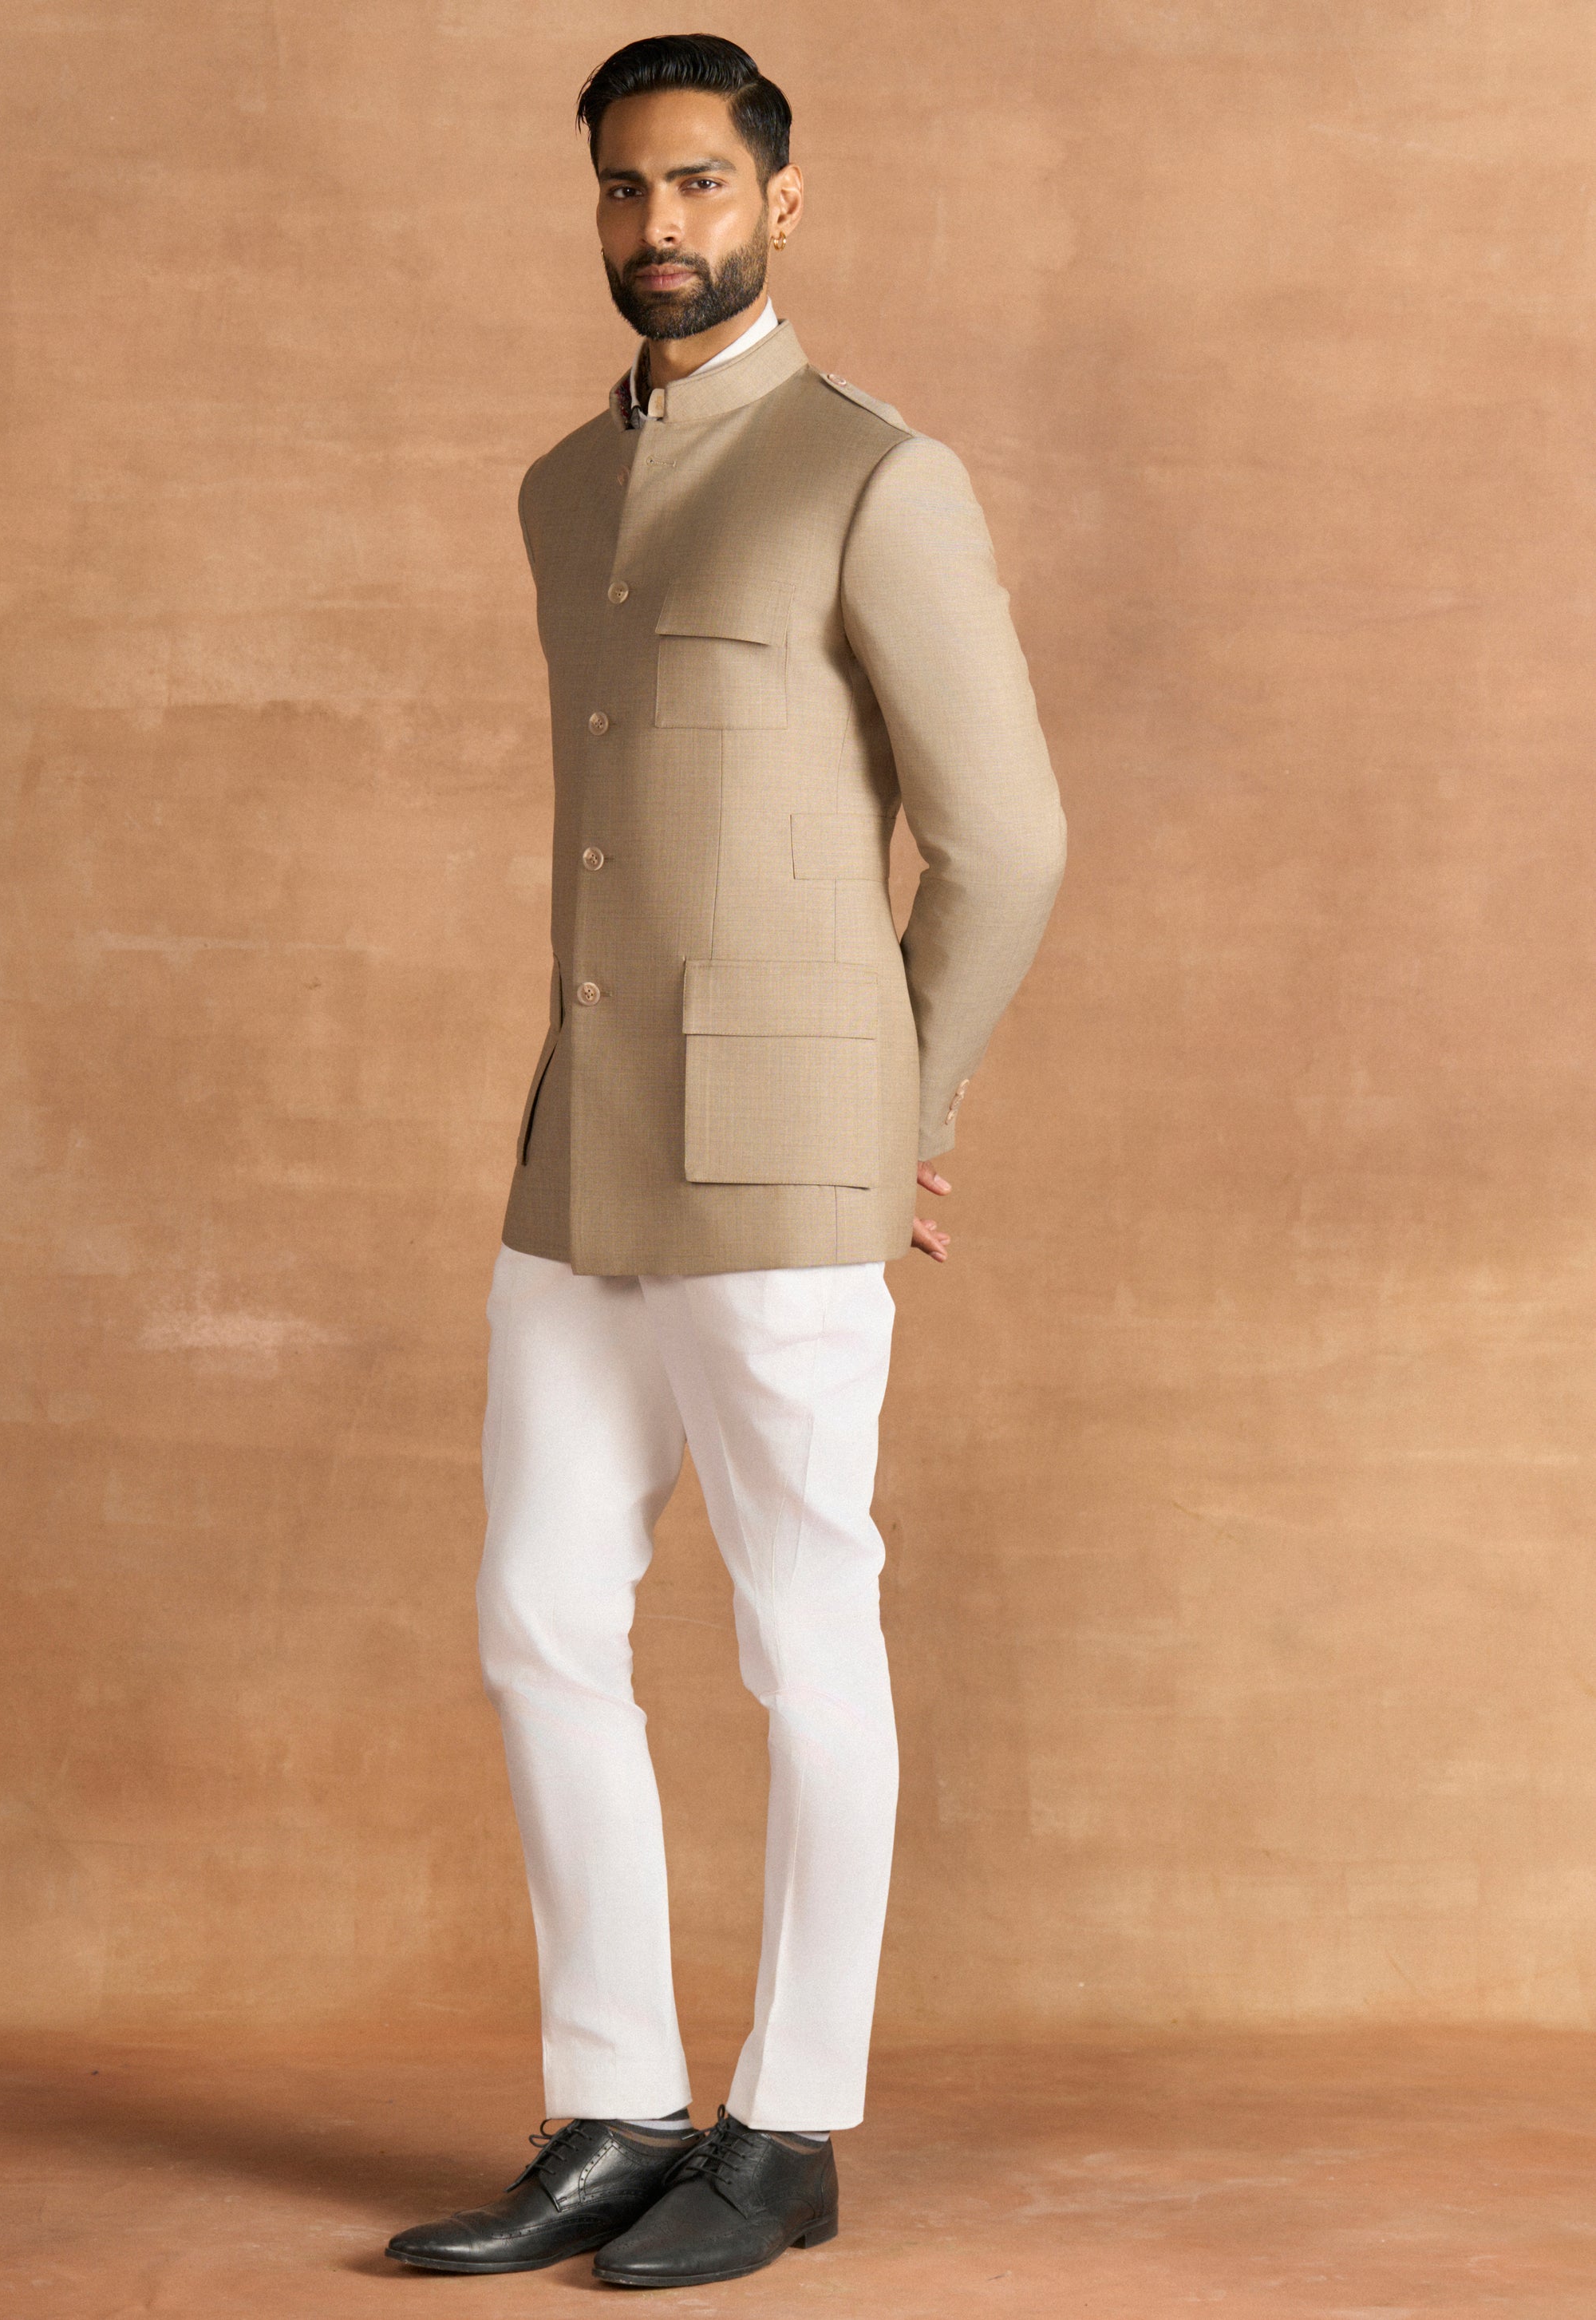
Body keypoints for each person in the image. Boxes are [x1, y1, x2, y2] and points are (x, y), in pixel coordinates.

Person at [387, 31, 1065, 2291]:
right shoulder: (559, 489)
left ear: (782, 199)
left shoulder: (874, 473)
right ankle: (616, 2105)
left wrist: (901, 1116)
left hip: (783, 1152)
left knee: (801, 1627)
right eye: (622, 187)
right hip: (579, 1143)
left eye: (694, 183)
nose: (655, 222)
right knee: (535, 1615)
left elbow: (1004, 842)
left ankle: (788, 2129)